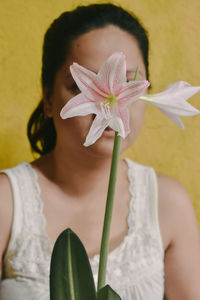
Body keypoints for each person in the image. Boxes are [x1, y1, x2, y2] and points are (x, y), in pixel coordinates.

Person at [0, 3, 200, 300]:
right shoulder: (7, 201)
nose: (111, 108)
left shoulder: (169, 204)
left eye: (128, 85)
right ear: (49, 99)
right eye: (80, 87)